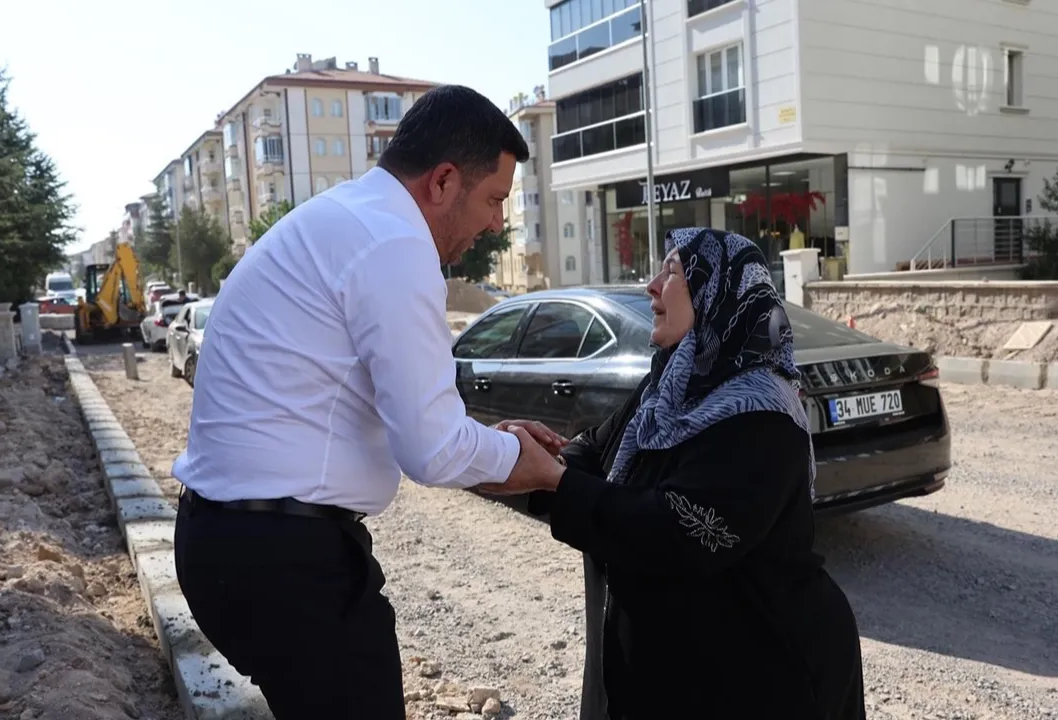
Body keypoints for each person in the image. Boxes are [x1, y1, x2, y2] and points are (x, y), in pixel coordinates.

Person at [170, 84, 567, 719]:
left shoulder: (346, 220)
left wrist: (492, 441)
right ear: (443, 181)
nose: (497, 223)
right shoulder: (394, 243)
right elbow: (434, 450)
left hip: (233, 540)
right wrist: (529, 463)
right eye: (494, 199)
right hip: (285, 561)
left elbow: (375, 403)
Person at [481, 228, 867, 719]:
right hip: (675, 668)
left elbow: (682, 530)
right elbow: (599, 450)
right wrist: (537, 454)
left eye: (672, 272)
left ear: (716, 291)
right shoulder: (671, 384)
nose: (651, 285)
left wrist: (557, 482)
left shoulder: (762, 416)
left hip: (761, 673)